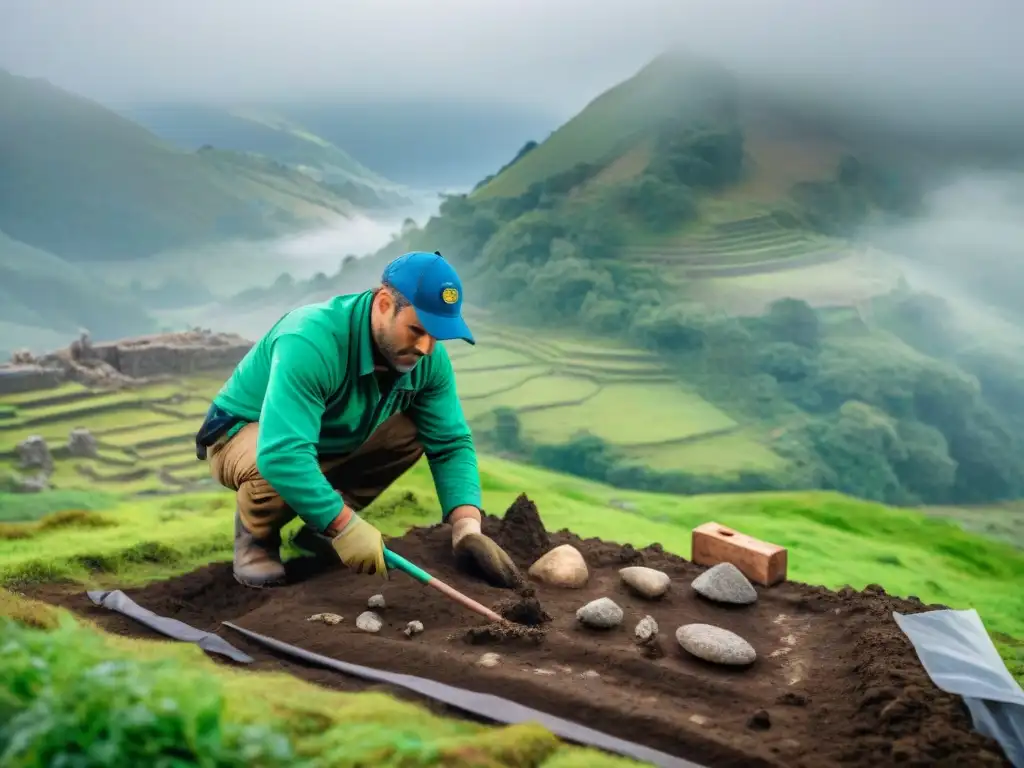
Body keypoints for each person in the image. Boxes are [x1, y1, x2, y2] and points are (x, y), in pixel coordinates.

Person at [193, 250, 521, 590]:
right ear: (383, 304)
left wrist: (466, 527)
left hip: (326, 436)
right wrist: (345, 526)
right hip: (243, 436)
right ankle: (257, 540)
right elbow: (282, 453)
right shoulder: (310, 340)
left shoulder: (428, 361)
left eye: (437, 335)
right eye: (417, 330)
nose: (426, 347)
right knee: (275, 460)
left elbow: (451, 444)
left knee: (414, 430)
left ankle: (321, 529)